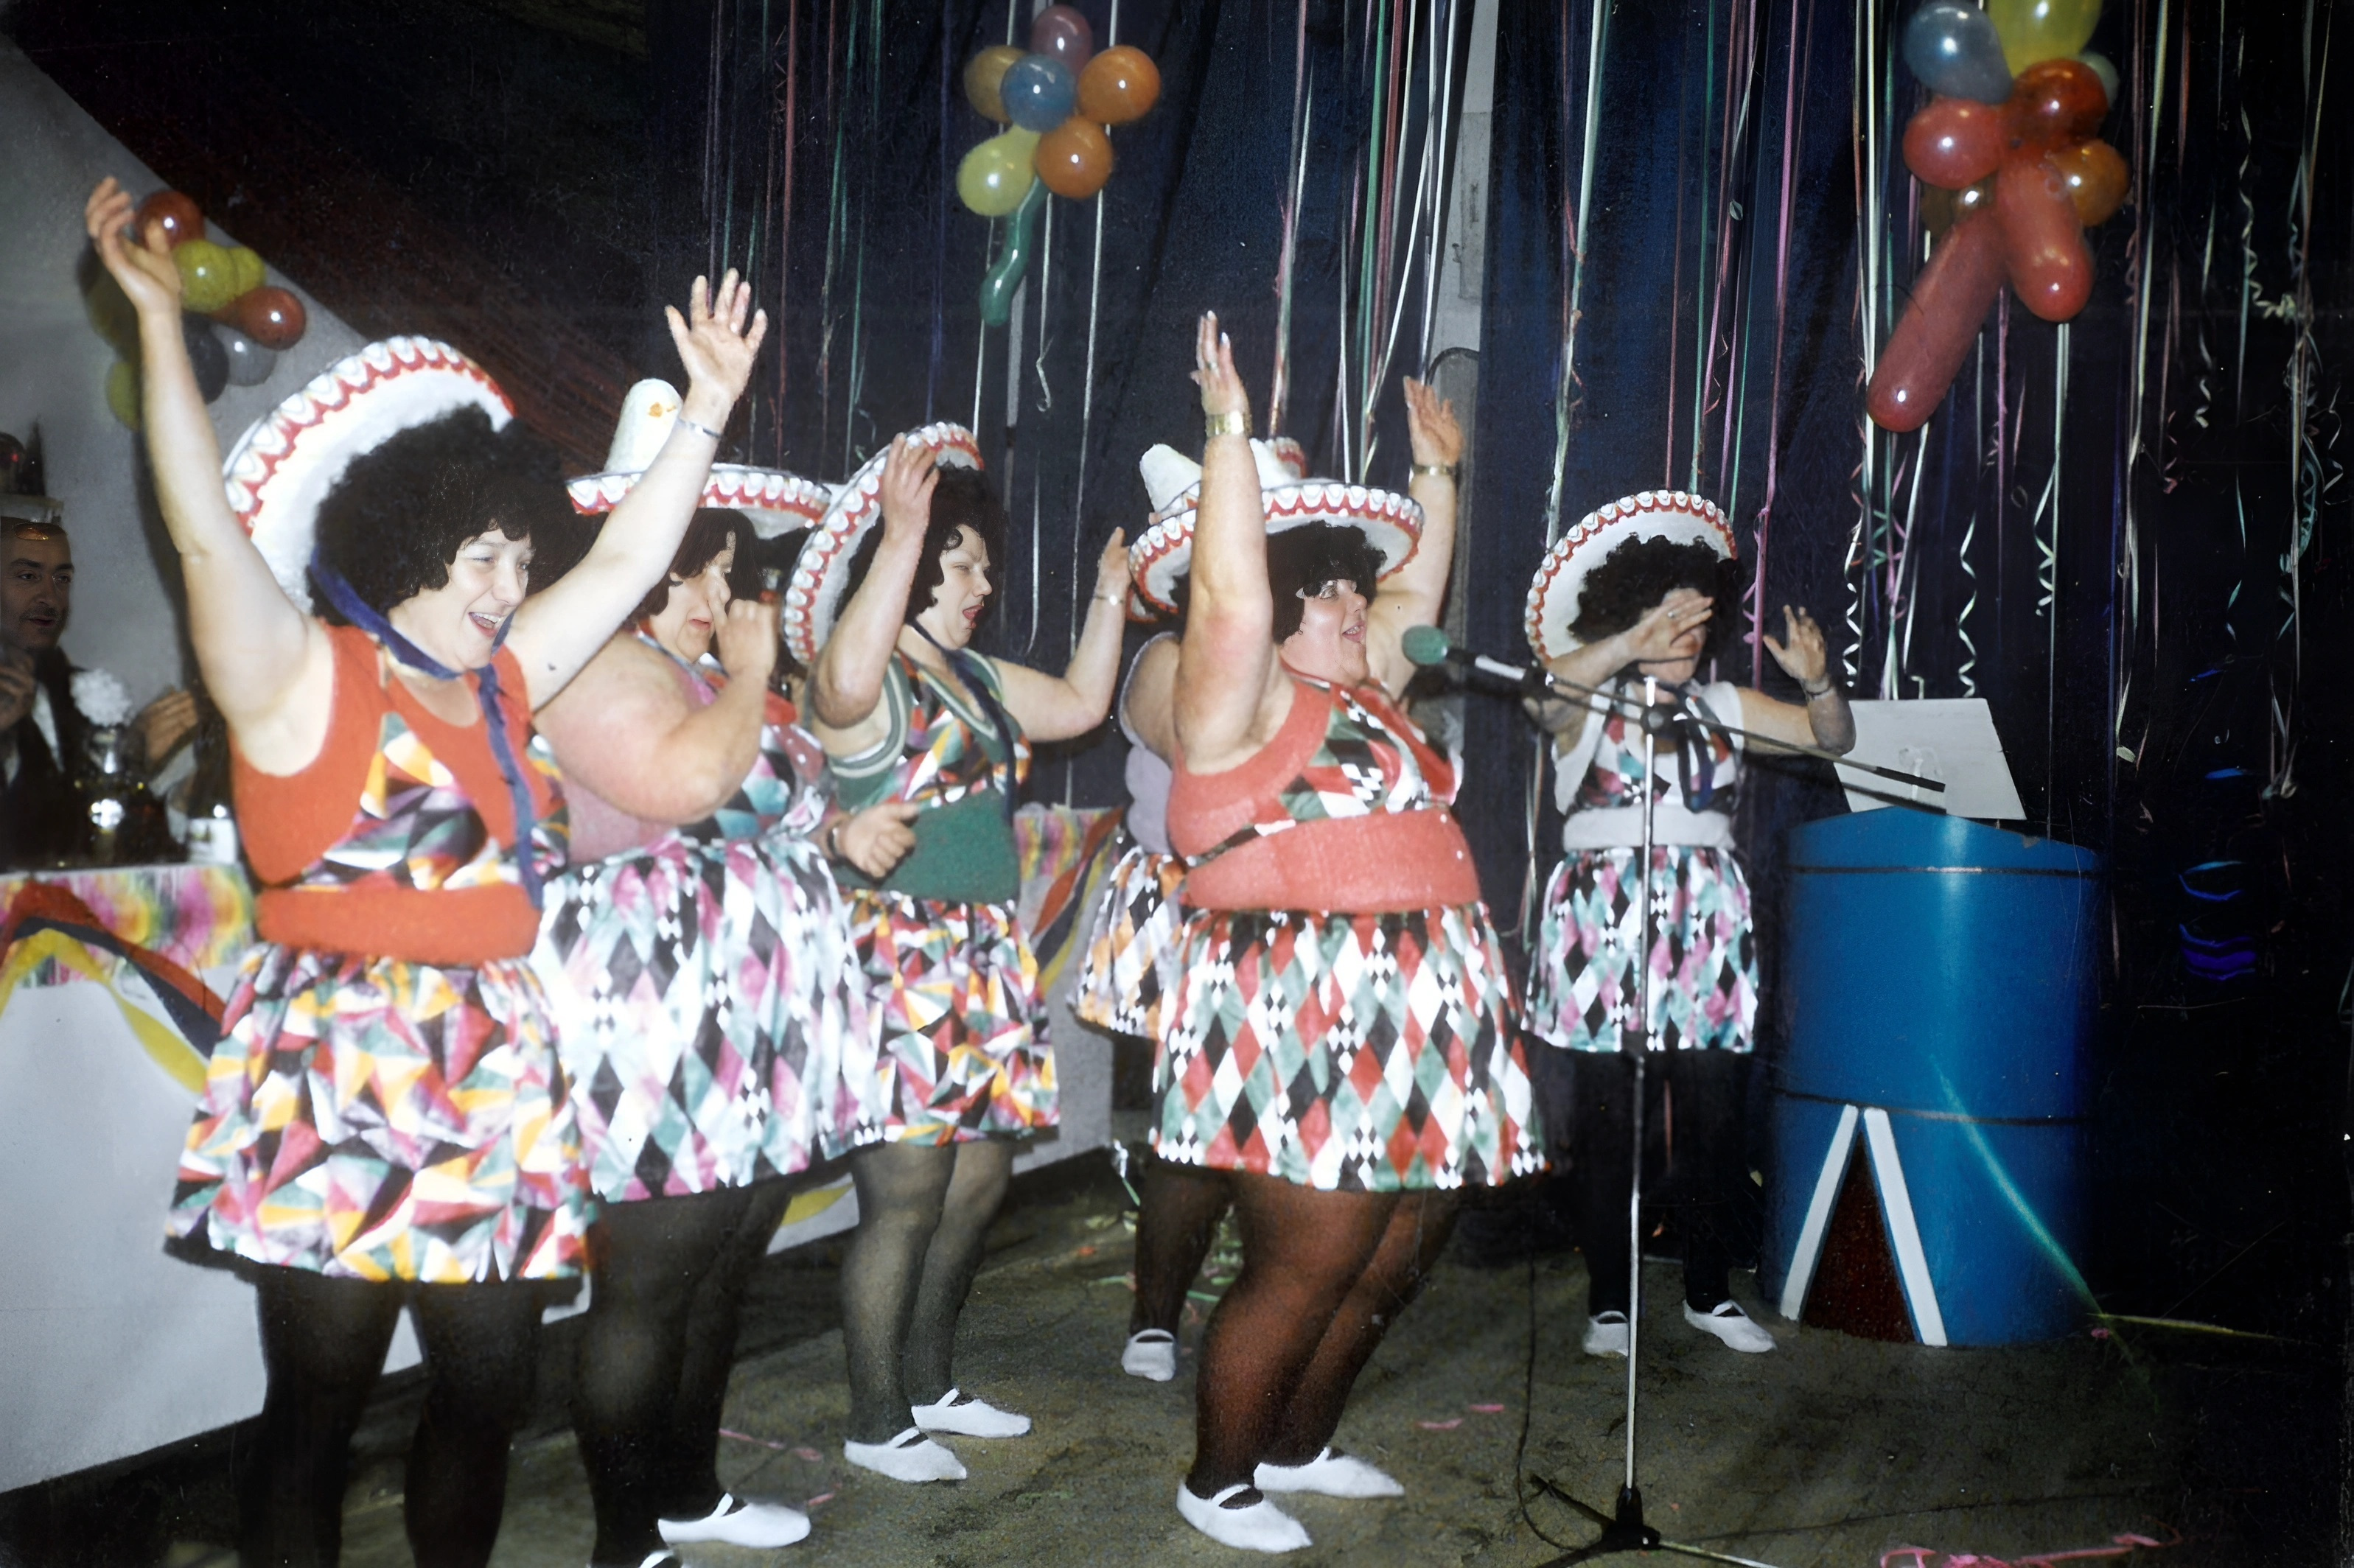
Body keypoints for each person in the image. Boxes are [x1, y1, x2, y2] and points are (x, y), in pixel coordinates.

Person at [86, 174, 766, 1567]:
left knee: (486, 1391)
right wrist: (157, 328)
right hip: (338, 1062)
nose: (508, 580)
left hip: (495, 1064)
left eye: (520, 552)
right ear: (401, 542)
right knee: (320, 1408)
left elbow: (632, 551)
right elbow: (201, 528)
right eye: (481, 551)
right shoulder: (296, 681)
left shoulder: (508, 684)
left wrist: (703, 410)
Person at [1159, 315, 1537, 1553]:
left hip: (1422, 997)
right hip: (1298, 997)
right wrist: (1227, 436)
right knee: (1310, 1254)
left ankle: (1296, 1443)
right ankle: (1215, 1480)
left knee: (1394, 1249)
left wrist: (1438, 475)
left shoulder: (1363, 695)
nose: (1349, 599)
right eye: (1318, 586)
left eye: (1344, 585)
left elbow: (1411, 589)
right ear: (1271, 608)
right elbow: (1224, 594)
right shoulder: (1234, 694)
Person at [532, 491, 921, 1564]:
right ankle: (625, 1538)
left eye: (725, 574)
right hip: (659, 1013)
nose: (720, 597)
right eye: (696, 573)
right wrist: (753, 678)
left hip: (754, 1012)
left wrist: (839, 835)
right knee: (654, 1276)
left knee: (726, 1257)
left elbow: (761, 812)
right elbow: (687, 787)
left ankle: (688, 1494)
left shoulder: (699, 673)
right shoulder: (596, 667)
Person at [790, 427, 1129, 1483]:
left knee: (977, 1183)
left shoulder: (972, 673)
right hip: (899, 952)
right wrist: (898, 535)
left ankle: (931, 1383)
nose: (983, 580)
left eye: (984, 561)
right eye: (965, 560)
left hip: (983, 949)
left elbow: (1076, 706)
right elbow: (839, 682)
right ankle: (875, 1415)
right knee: (905, 1192)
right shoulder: (863, 674)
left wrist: (1112, 594)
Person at [1520, 493, 1855, 1359]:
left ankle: (1708, 1292)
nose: (1687, 636)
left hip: (1704, 920)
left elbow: (1831, 741)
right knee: (1606, 1121)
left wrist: (1817, 680)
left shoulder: (1725, 706)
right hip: (1602, 919)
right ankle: (1608, 1304)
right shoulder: (1584, 698)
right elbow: (1544, 703)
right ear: (1628, 617)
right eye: (1668, 617)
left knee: (1710, 1113)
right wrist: (1629, 648)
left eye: (1696, 620)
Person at [1, 513, 199, 866]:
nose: (50, 596)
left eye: (61, 578)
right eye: (28, 576)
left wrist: (178, 800)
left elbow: (99, 857)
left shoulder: (78, 694)